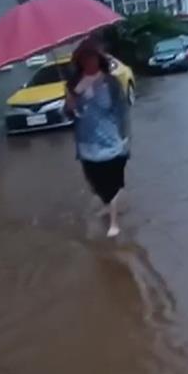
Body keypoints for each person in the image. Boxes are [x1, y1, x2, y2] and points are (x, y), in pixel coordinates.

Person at [65, 40, 129, 237]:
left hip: (112, 142)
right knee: (96, 184)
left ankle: (114, 222)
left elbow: (122, 111)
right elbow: (68, 115)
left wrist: (125, 137)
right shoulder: (73, 85)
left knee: (114, 183)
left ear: (99, 59)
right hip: (86, 145)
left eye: (91, 57)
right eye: (84, 58)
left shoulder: (111, 83)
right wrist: (70, 105)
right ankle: (109, 206)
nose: (88, 61)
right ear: (79, 61)